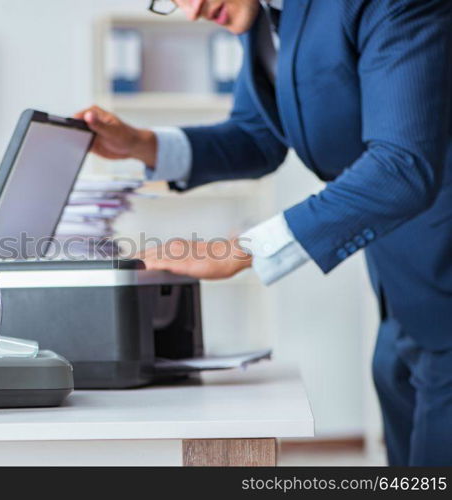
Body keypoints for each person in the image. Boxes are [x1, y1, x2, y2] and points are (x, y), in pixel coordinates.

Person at [75, 0, 452, 466]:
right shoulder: (263, 15)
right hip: (402, 276)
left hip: (439, 252)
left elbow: (402, 169)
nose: (189, 12)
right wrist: (143, 144)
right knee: (399, 403)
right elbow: (259, 135)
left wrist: (242, 250)